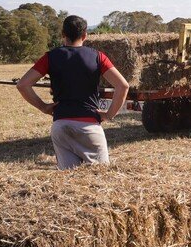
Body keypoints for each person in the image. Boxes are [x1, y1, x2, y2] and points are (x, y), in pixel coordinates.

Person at [17, 15, 130, 169]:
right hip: (89, 127)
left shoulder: (50, 57)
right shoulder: (98, 57)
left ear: (63, 34)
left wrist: (43, 107)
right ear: (85, 35)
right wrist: (109, 114)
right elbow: (123, 86)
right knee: (100, 176)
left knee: (69, 179)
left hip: (61, 126)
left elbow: (23, 84)